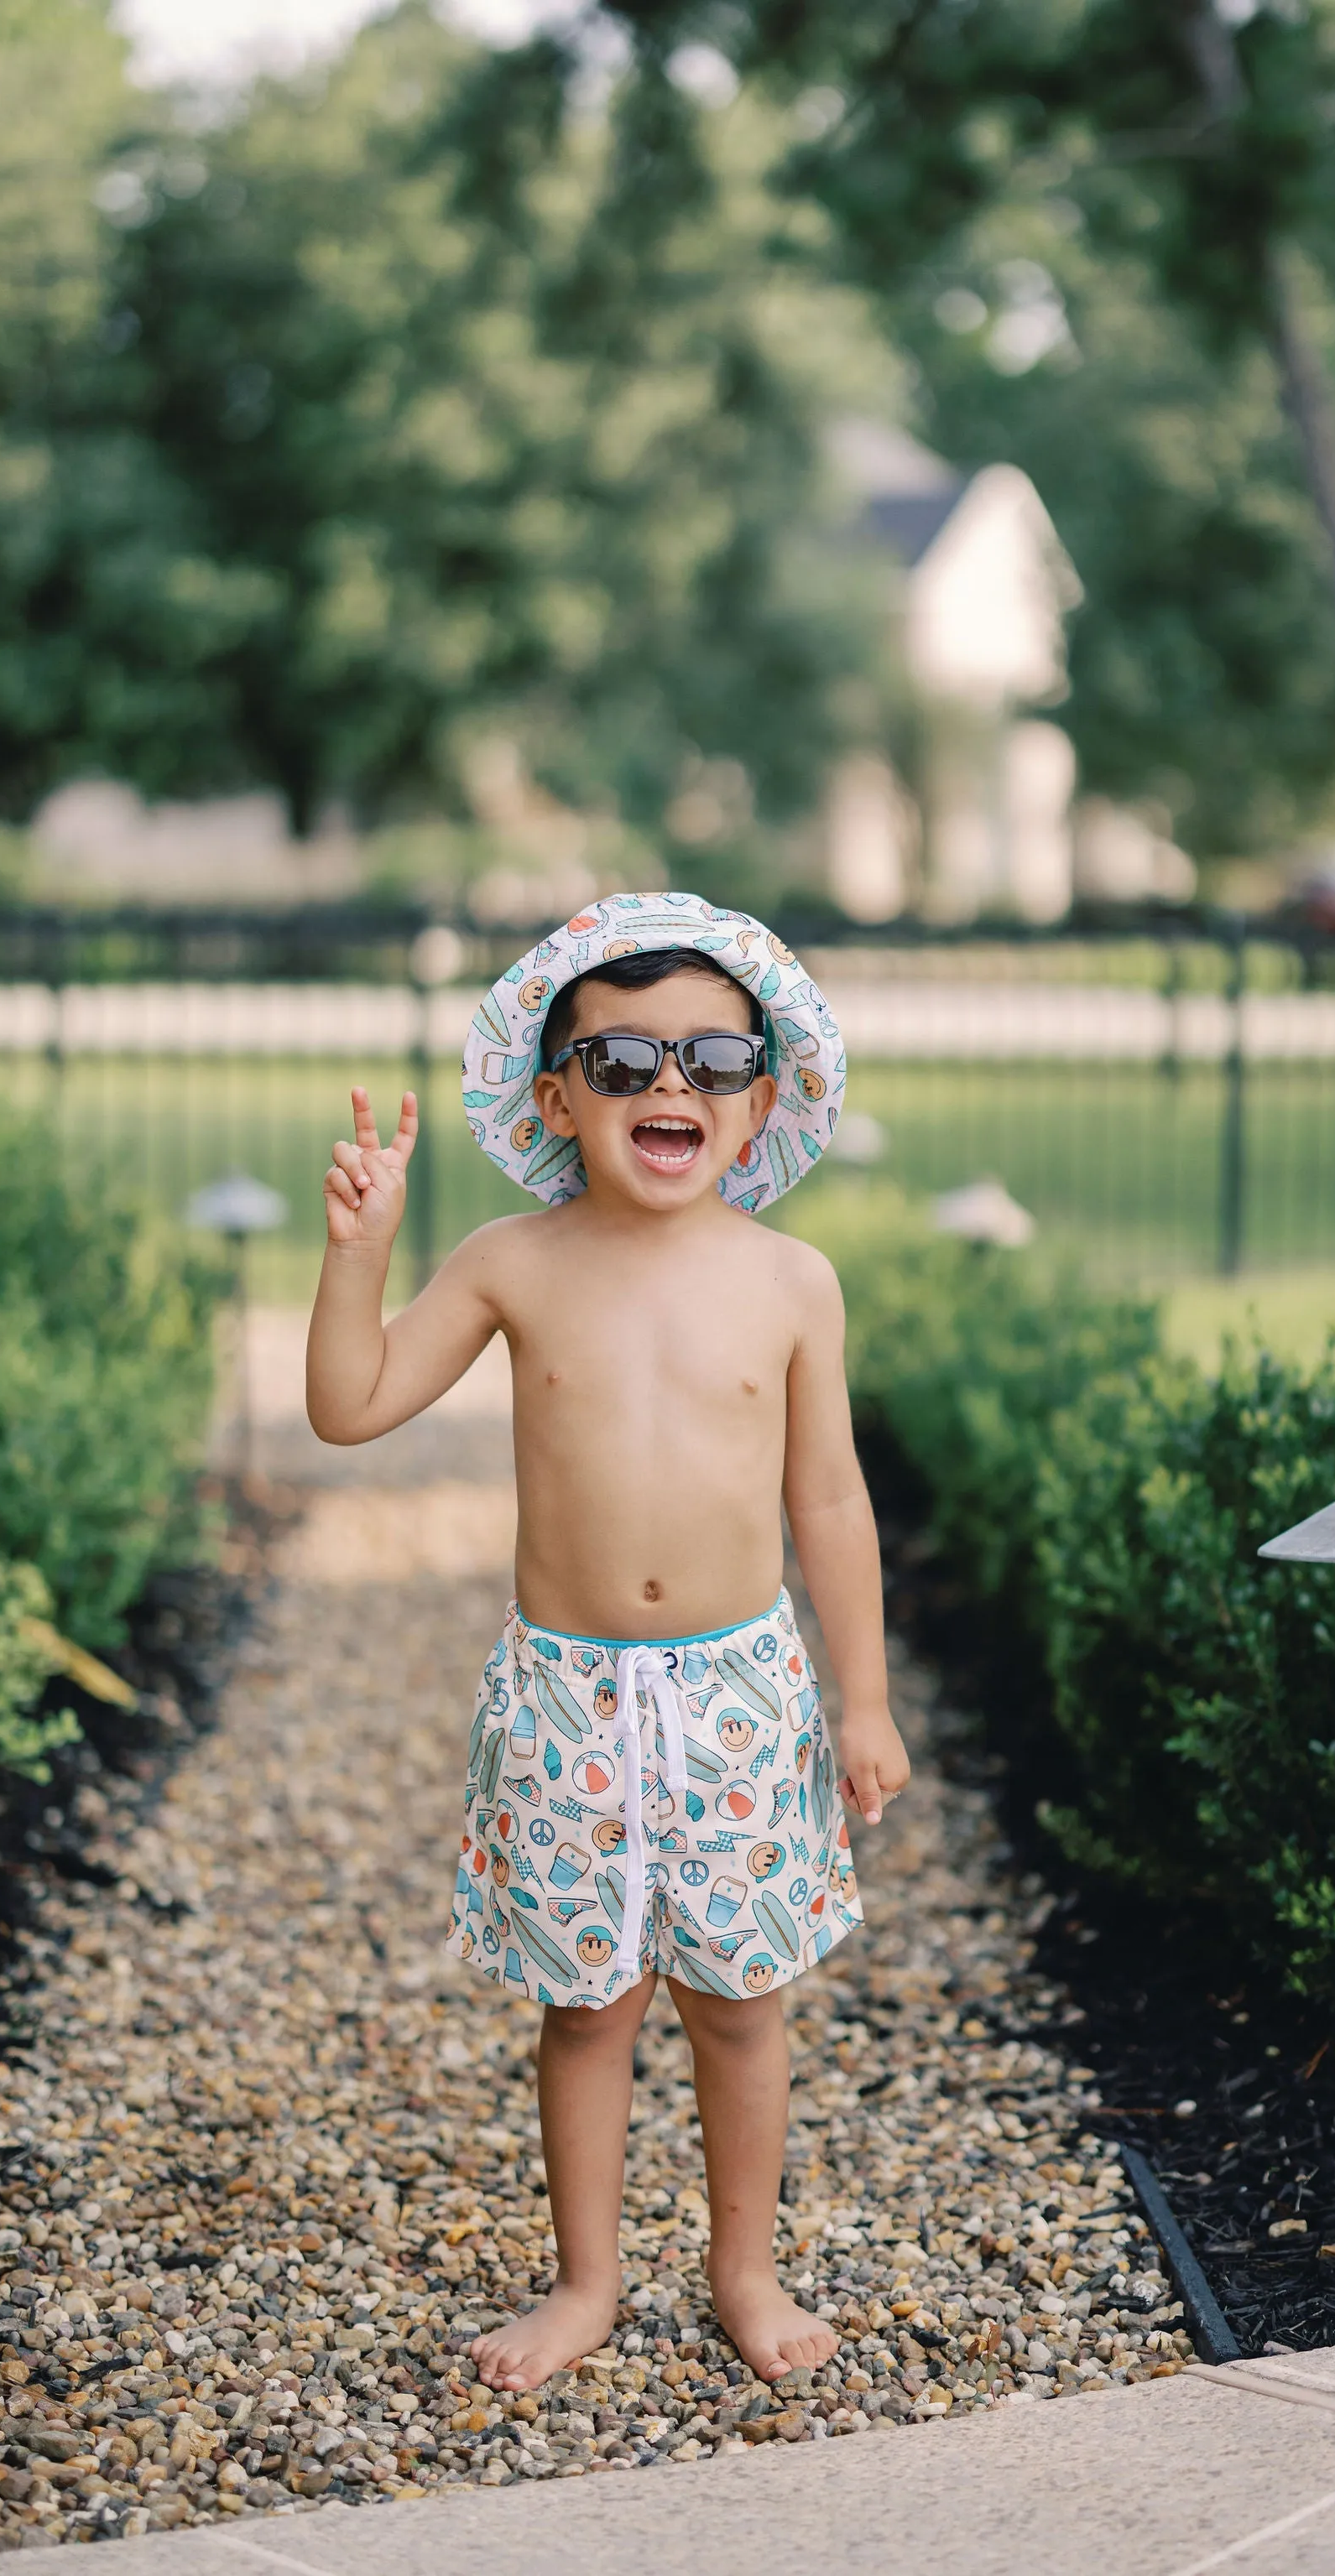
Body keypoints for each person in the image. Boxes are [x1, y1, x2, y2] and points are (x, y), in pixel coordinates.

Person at [306, 893, 910, 2394]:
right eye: (625, 1057)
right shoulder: (517, 1261)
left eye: (712, 1060)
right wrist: (359, 1252)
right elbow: (350, 1402)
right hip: (566, 1694)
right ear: (554, 1091)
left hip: (740, 1691)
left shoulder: (790, 1282)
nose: (669, 1088)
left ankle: (743, 2268)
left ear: (762, 1098)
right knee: (587, 2005)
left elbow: (829, 1501)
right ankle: (586, 2281)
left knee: (740, 2003)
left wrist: (867, 1701)